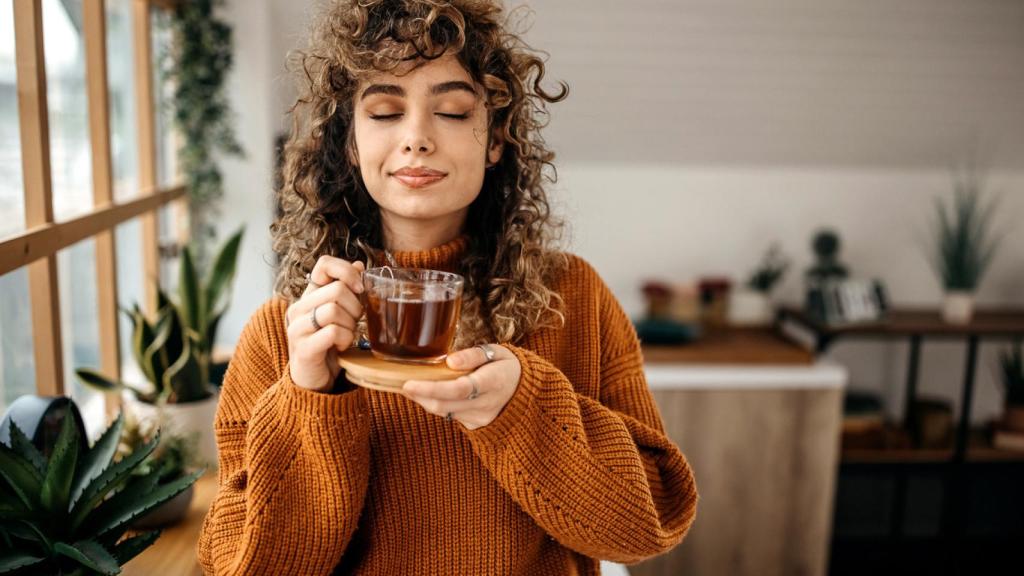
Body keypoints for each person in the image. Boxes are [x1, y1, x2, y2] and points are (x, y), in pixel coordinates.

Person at [197, 0, 697, 573]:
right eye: (385, 112)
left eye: (454, 112)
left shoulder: (573, 299)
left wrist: (523, 412)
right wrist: (309, 399)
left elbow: (651, 523)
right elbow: (237, 566)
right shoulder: (284, 338)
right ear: (352, 146)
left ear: (496, 140)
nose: (417, 138)